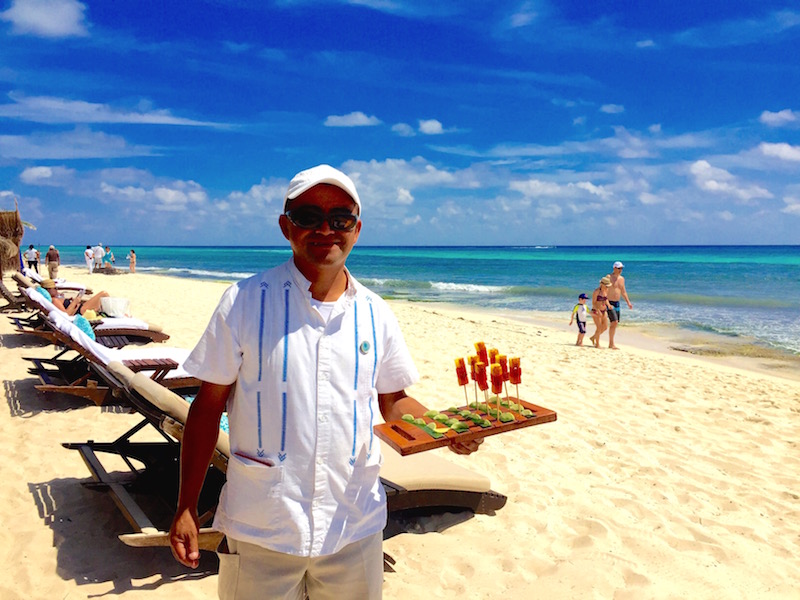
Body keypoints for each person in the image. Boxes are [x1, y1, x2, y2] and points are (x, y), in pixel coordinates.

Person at [169, 164, 481, 599]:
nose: (326, 230)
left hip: (354, 525)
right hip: (263, 525)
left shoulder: (375, 313)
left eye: (340, 219)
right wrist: (186, 505)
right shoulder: (242, 302)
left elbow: (393, 402)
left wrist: (444, 429)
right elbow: (207, 406)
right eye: (308, 217)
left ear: (357, 228)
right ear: (285, 225)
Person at [38, 278, 109, 316]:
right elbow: (66, 315)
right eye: (55, 288)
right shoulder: (54, 300)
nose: (57, 290)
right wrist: (75, 302)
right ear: (48, 290)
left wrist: (69, 301)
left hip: (79, 309)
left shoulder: (52, 300)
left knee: (101, 302)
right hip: (80, 311)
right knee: (104, 294)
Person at [606, 261, 633, 350]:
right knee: (614, 322)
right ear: (614, 268)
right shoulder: (608, 277)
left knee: (615, 323)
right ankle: (611, 344)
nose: (621, 270)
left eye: (621, 268)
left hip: (617, 303)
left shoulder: (622, 279)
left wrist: (628, 302)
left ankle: (608, 342)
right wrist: (605, 302)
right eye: (619, 268)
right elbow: (603, 290)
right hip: (609, 302)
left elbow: (623, 291)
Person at [589, 276, 612, 348]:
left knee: (605, 327)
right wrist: (598, 310)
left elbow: (606, 299)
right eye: (606, 286)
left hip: (603, 310)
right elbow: (594, 302)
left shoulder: (606, 290)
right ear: (602, 284)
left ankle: (593, 337)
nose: (608, 287)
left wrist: (608, 305)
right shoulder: (596, 291)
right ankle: (597, 344)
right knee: (598, 328)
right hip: (596, 311)